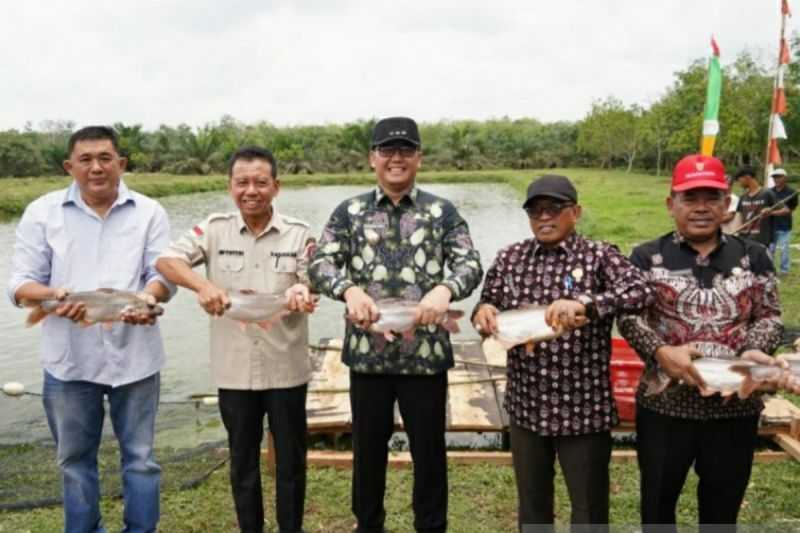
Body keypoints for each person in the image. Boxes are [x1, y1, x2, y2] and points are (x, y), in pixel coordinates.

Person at [309, 116, 483, 533]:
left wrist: (445, 290)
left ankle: (431, 526)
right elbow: (318, 263)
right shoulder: (349, 211)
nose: (396, 158)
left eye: (406, 150)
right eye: (387, 150)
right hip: (368, 359)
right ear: (373, 158)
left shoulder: (442, 212)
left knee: (429, 454)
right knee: (367, 454)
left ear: (419, 158)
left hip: (426, 358)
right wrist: (349, 290)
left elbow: (470, 263)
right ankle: (369, 526)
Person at [6, 125, 174, 532]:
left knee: (141, 459)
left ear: (121, 163)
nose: (96, 167)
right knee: (74, 461)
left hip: (136, 359)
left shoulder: (150, 211)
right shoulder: (42, 212)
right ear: (69, 166)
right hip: (69, 364)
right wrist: (54, 295)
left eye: (105, 158)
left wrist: (148, 299)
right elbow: (19, 284)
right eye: (85, 159)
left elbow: (162, 275)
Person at [618, 154, 798, 531]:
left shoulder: (754, 256)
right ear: (672, 204)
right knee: (657, 507)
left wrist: (754, 350)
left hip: (735, 407)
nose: (701, 207)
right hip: (664, 407)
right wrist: (660, 351)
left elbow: (770, 315)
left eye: (711, 197)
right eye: (690, 198)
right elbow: (629, 316)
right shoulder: (646, 257)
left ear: (726, 202)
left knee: (721, 512)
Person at [472, 175, 652, 532]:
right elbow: (487, 301)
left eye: (554, 208)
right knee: (533, 507)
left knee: (588, 509)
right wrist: (483, 312)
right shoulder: (511, 258)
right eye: (535, 210)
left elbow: (642, 290)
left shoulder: (599, 255)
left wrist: (588, 303)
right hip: (527, 407)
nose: (544, 217)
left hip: (583, 408)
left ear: (576, 212)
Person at [156, 146, 315, 533]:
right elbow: (166, 261)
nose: (251, 190)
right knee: (242, 460)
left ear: (276, 187)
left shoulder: (300, 233)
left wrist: (304, 292)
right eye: (242, 182)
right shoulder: (212, 229)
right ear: (230, 187)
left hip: (286, 370)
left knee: (291, 463)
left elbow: (317, 279)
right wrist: (202, 285)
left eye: (261, 182)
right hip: (234, 371)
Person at [735, 165, 777, 247]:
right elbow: (739, 217)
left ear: (747, 177)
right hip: (745, 239)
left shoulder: (767, 193)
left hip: (762, 240)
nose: (739, 183)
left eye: (739, 180)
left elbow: (785, 210)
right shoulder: (743, 197)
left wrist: (771, 211)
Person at [769, 168, 798, 274]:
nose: (776, 179)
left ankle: (784, 270)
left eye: (779, 177)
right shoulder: (769, 192)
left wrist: (772, 212)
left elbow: (790, 209)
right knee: (770, 250)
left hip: (785, 226)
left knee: (784, 250)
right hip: (771, 226)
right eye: (774, 177)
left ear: (785, 178)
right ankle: (770, 270)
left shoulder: (792, 193)